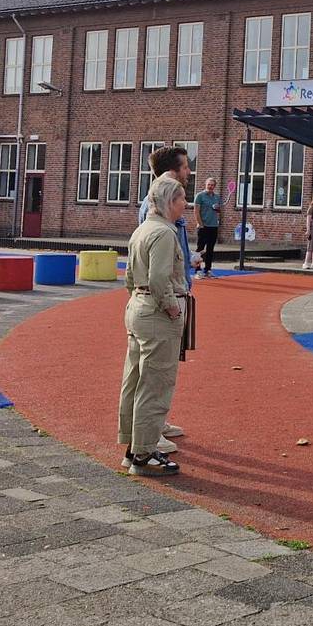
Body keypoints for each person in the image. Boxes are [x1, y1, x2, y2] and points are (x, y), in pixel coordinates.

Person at [120, 175, 189, 477]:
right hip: (157, 313)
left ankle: (132, 446)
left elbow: (129, 279)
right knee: (156, 383)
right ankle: (144, 453)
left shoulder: (141, 230)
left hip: (138, 306)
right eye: (182, 199)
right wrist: (172, 308)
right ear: (168, 202)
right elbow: (161, 279)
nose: (186, 204)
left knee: (134, 380)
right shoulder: (163, 233)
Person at [137, 146, 193, 451]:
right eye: (185, 167)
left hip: (168, 291)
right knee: (156, 372)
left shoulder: (160, 211)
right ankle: (148, 436)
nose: (189, 172)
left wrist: (188, 259)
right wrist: (172, 306)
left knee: (160, 368)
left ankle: (156, 423)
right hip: (161, 301)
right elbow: (154, 272)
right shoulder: (156, 212)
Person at [193, 177, 221, 278]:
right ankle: (197, 270)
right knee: (200, 249)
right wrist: (200, 224)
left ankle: (208, 270)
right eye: (209, 184)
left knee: (210, 249)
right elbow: (196, 211)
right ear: (206, 185)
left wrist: (218, 209)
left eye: (212, 185)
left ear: (215, 186)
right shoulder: (200, 196)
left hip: (213, 226)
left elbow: (218, 211)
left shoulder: (217, 197)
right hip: (203, 226)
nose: (210, 186)